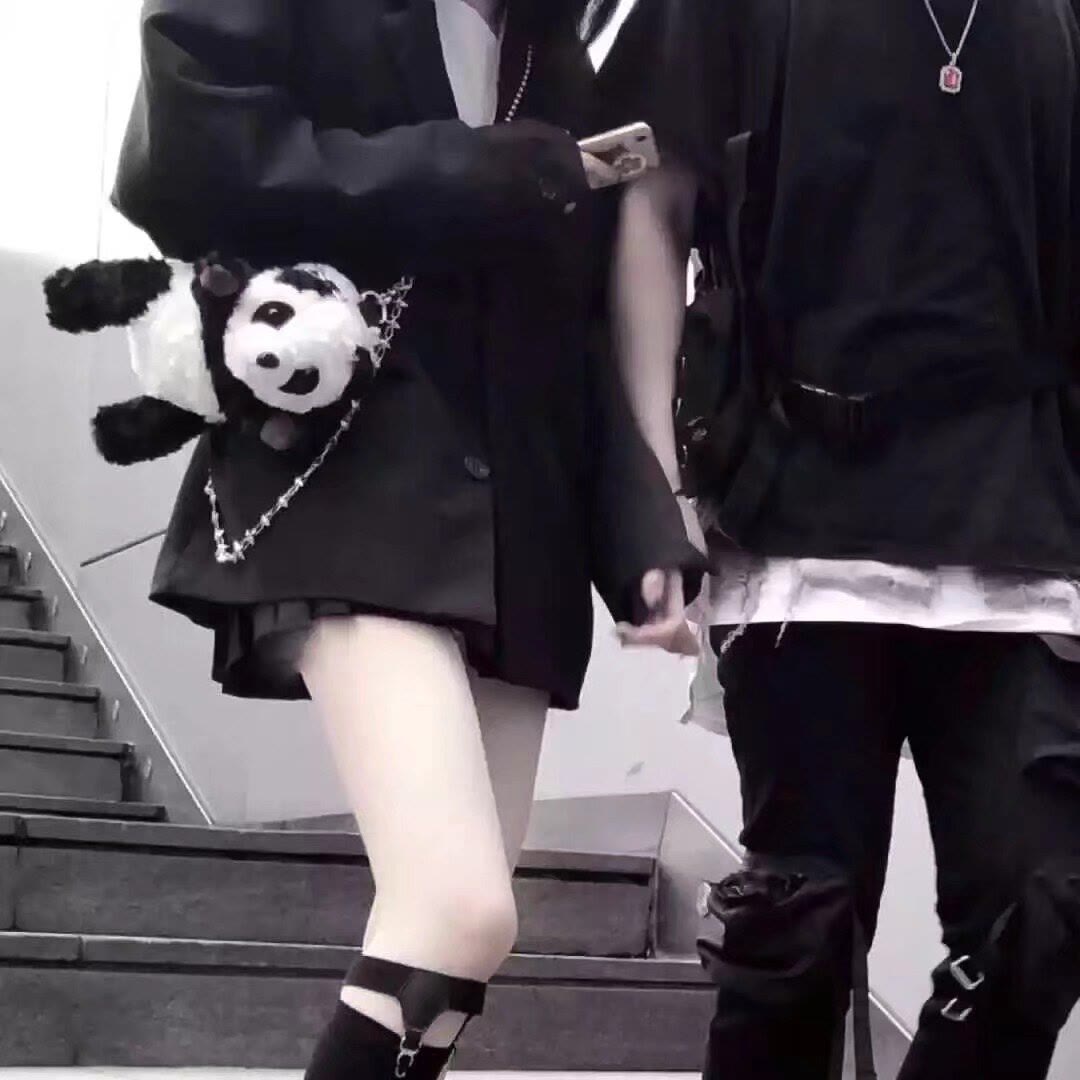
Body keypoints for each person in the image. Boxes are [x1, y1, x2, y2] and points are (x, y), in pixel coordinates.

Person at [112, 2, 704, 1078]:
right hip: (347, 472)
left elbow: (571, 326)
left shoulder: (548, 49)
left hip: (518, 524)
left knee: (447, 973)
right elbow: (182, 161)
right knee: (457, 909)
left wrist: (639, 531)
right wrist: (488, 171)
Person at [588, 0, 1080, 1077]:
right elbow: (652, 203)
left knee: (1041, 915)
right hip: (797, 518)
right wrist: (653, 490)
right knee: (796, 937)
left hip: (1029, 524)